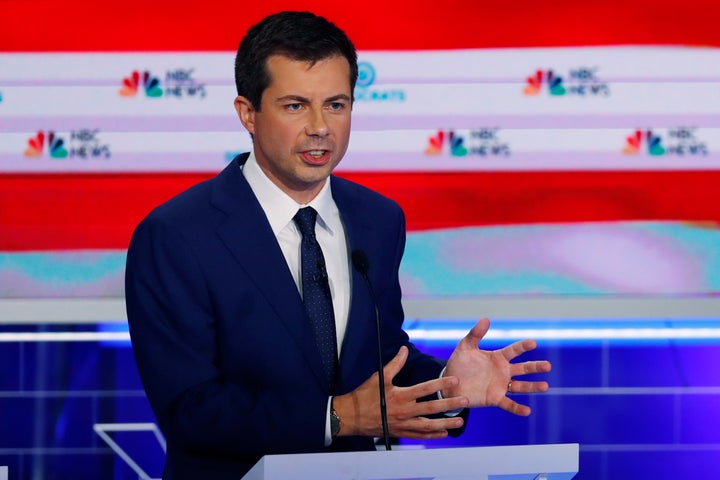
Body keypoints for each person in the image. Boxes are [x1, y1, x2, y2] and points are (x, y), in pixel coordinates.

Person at [125, 11, 551, 479]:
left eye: (336, 104)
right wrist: (337, 417)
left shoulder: (378, 220)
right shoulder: (177, 235)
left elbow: (379, 362)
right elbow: (190, 410)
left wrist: (447, 386)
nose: (320, 127)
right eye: (294, 106)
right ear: (248, 113)